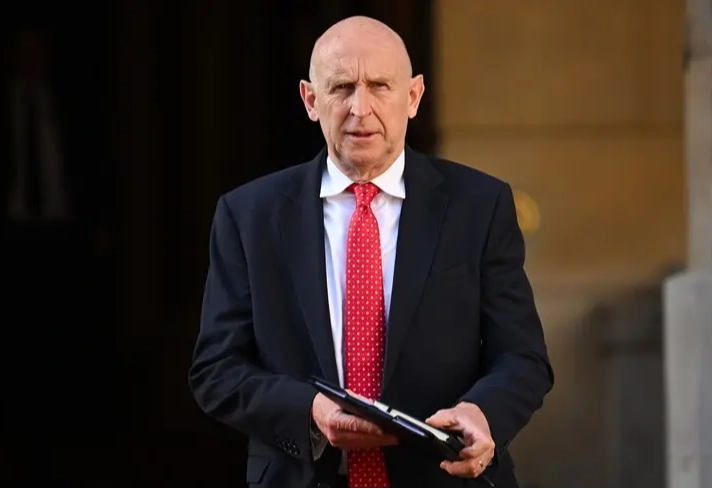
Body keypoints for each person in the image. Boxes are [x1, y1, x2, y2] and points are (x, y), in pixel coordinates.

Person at [189, 15, 554, 488]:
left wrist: (482, 414)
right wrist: (310, 411)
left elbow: (523, 356)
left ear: (413, 97)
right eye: (341, 87)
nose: (360, 108)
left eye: (380, 86)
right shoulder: (249, 216)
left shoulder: (479, 206)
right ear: (310, 100)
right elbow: (216, 370)